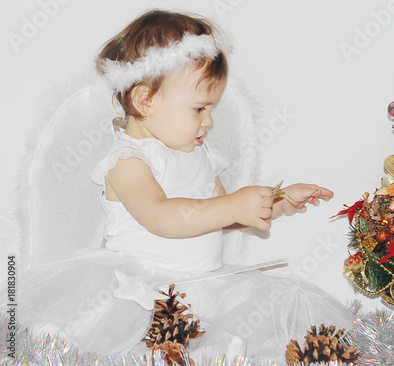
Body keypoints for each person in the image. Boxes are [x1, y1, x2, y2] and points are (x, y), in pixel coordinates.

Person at [14, 9, 353, 364]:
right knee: (136, 338)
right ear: (146, 100)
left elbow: (219, 216)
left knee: (244, 319)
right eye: (199, 108)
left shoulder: (201, 154)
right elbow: (162, 217)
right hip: (143, 294)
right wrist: (234, 205)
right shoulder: (128, 161)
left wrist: (277, 201)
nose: (209, 120)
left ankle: (216, 353)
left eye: (212, 108)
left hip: (206, 288)